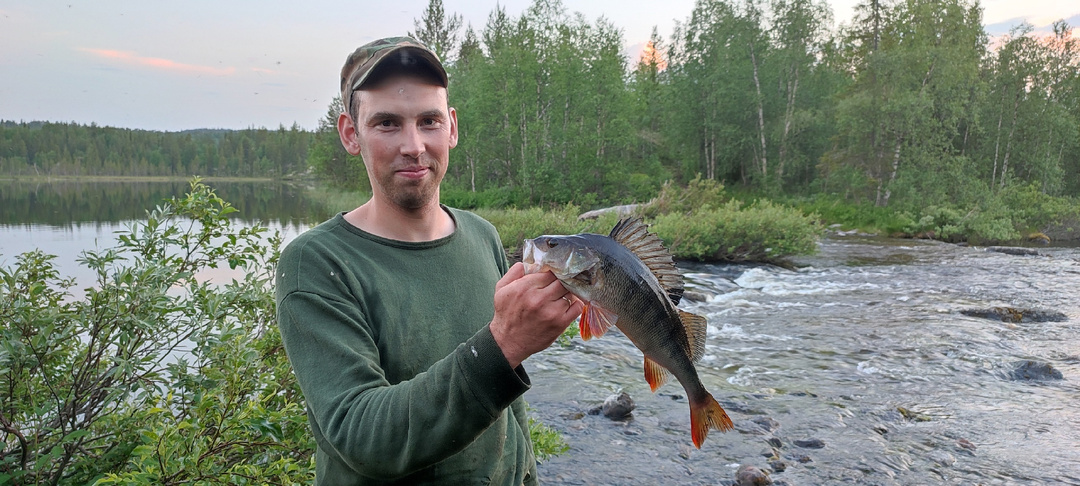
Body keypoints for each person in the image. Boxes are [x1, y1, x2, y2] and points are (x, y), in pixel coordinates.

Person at [275, 36, 583, 485]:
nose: (414, 145)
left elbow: (507, 414)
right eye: (386, 123)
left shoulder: (482, 235)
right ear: (350, 133)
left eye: (429, 120)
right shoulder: (317, 264)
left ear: (452, 128)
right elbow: (363, 436)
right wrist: (503, 344)